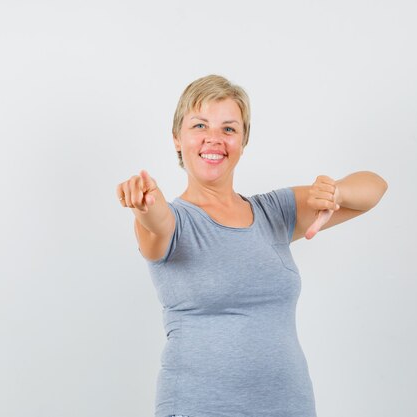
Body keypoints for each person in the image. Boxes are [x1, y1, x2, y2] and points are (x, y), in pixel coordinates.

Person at [116, 74, 388, 417]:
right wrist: (145, 203)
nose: (214, 139)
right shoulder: (172, 221)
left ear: (243, 142)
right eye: (199, 125)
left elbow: (375, 187)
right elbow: (154, 222)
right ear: (176, 139)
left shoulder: (272, 212)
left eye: (229, 129)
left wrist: (337, 192)